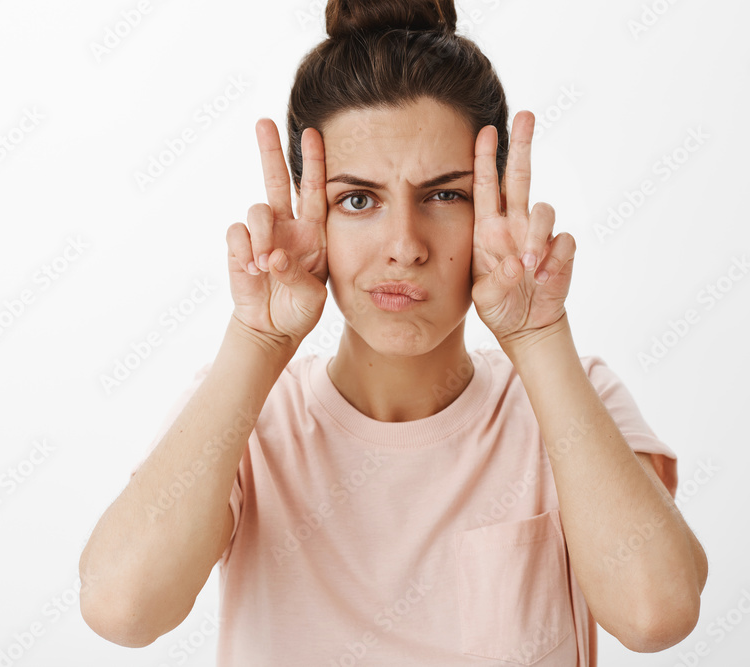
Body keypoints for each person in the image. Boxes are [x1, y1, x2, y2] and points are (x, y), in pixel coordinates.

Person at [78, 0, 709, 663]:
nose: (404, 245)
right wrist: (258, 340)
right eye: (358, 200)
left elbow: (654, 615)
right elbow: (122, 608)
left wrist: (539, 336)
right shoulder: (249, 416)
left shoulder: (575, 400)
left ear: (492, 205)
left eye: (445, 195)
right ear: (309, 214)